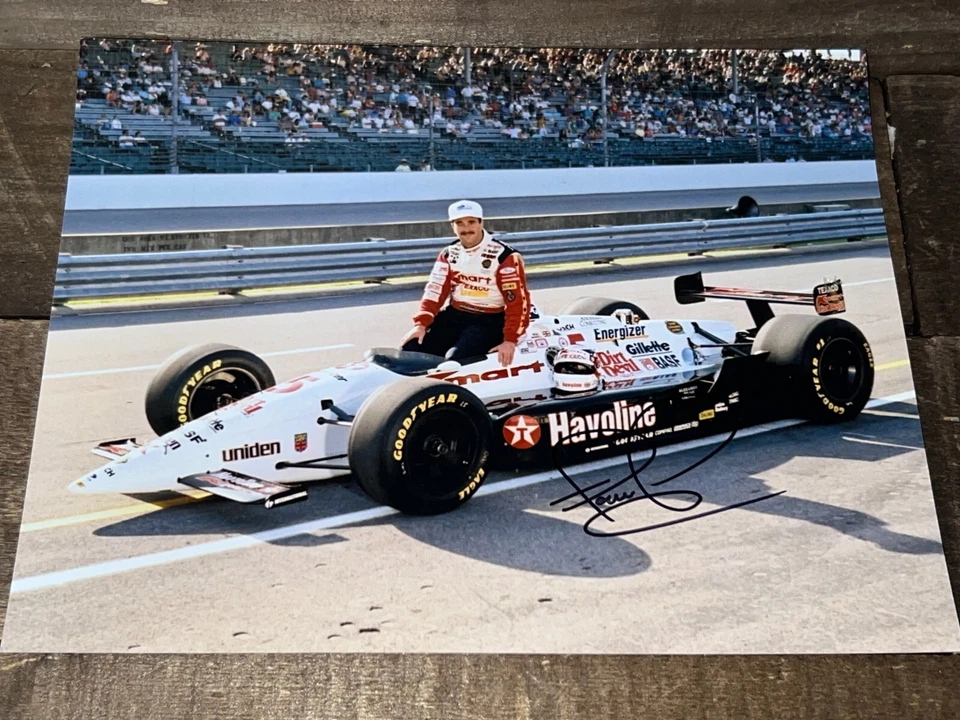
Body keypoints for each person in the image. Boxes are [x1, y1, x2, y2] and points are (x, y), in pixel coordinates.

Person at [401, 200, 532, 367]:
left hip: (489, 320)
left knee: (453, 361)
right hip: (455, 314)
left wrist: (510, 340)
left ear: (481, 223)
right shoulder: (449, 254)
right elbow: (434, 291)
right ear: (452, 226)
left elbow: (518, 302)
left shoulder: (504, 256)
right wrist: (421, 324)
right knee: (411, 350)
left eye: (471, 222)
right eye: (459, 223)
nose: (466, 228)